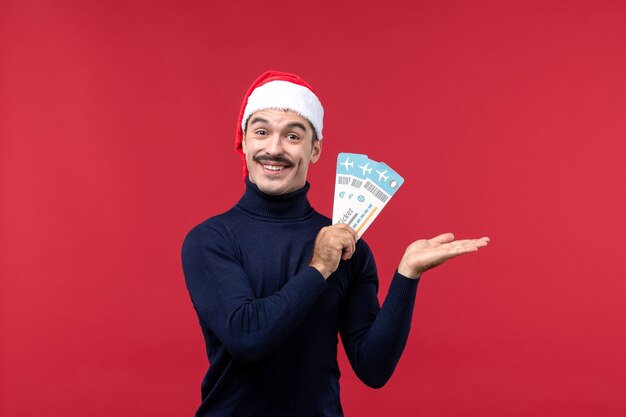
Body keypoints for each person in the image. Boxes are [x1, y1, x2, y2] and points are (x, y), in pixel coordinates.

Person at [181, 70, 489, 417]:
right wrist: (319, 268)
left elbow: (373, 368)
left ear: (315, 149)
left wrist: (407, 276)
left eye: (293, 136)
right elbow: (247, 338)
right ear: (244, 142)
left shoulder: (348, 247)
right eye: (262, 132)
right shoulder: (210, 240)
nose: (274, 148)